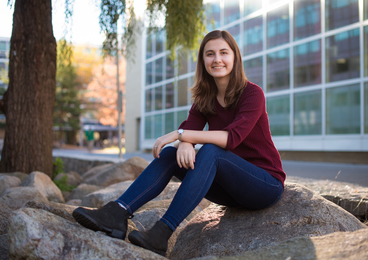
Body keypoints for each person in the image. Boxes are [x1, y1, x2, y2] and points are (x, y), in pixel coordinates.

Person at [72, 30, 286, 257]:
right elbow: (190, 128)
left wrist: (181, 135)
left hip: (264, 185)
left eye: (224, 52)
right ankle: (117, 213)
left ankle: (161, 233)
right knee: (169, 155)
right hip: (230, 190)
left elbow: (230, 138)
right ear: (203, 61)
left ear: (235, 57)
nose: (217, 59)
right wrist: (183, 142)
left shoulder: (252, 93)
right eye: (210, 54)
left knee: (212, 150)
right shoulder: (205, 96)